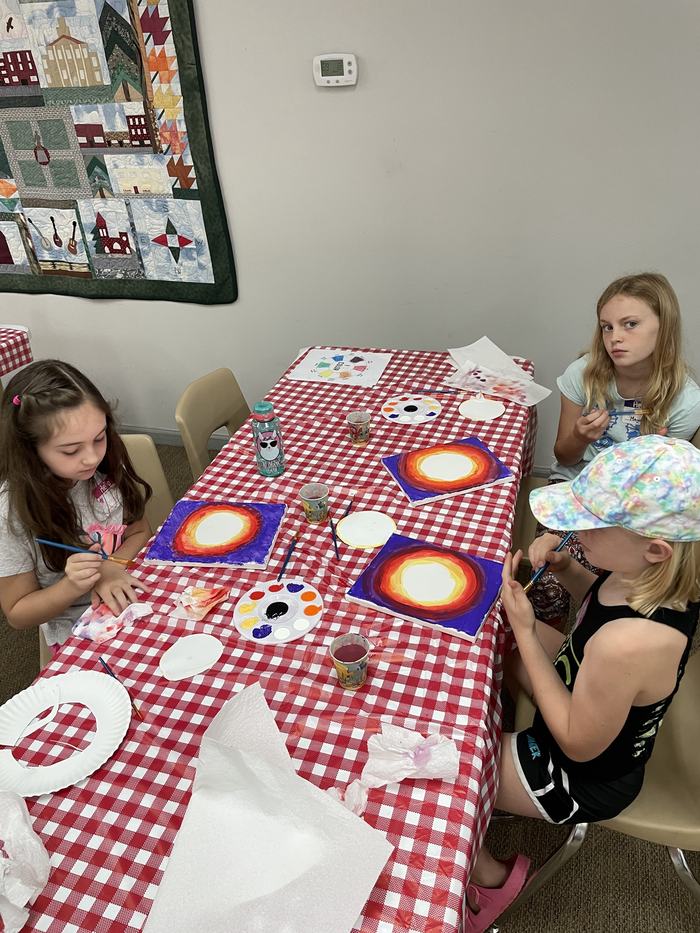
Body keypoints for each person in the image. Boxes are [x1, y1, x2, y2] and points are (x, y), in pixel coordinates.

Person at [464, 435, 700, 933]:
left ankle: (490, 874)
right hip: (583, 679)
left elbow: (578, 742)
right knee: (485, 635)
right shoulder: (651, 575)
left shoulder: (629, 644)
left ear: (655, 549)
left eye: (589, 523)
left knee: (452, 768)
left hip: (581, 777)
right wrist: (568, 567)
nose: (571, 527)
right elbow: (598, 601)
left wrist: (526, 632)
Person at [531, 272, 700, 627]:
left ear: (664, 327)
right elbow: (564, 457)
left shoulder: (686, 401)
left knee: (628, 599)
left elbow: (668, 498)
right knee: (545, 584)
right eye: (607, 327)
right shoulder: (583, 374)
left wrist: (647, 452)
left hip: (633, 511)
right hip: (575, 490)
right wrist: (580, 436)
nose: (615, 338)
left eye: (630, 324)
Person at [0, 359, 151, 652]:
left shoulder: (103, 466)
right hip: (79, 631)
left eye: (99, 437)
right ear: (29, 450)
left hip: (128, 592)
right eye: (70, 450)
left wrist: (110, 566)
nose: (91, 458)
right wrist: (73, 585)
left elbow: (140, 530)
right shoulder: (10, 513)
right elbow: (18, 613)